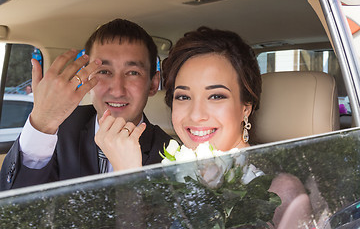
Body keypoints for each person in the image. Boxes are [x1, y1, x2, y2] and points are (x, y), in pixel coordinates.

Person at [95, 27, 312, 227]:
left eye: (216, 96)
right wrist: (129, 176)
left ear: (246, 107)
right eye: (183, 96)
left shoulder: (279, 190)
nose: (196, 115)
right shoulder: (164, 176)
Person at [0, 18, 172, 191]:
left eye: (133, 72)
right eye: (104, 72)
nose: (118, 90)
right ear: (87, 78)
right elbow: (13, 205)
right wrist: (41, 124)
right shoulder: (59, 129)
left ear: (153, 84)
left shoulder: (169, 153)